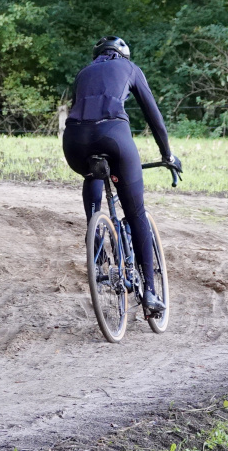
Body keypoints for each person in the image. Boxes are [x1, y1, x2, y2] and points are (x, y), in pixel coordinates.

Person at [62, 36, 180, 314]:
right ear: (123, 54)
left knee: (91, 176)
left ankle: (96, 243)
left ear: (97, 55)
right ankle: (150, 292)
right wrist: (167, 155)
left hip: (74, 143)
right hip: (113, 135)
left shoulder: (83, 73)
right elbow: (153, 116)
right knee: (136, 213)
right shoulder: (130, 68)